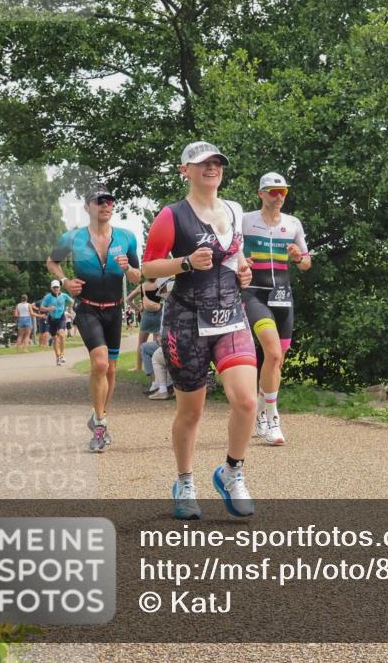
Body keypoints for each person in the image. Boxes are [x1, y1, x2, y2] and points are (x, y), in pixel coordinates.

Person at [142, 141, 256, 519]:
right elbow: (149, 268)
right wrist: (186, 263)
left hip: (231, 317)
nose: (212, 168)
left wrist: (244, 270)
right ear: (184, 170)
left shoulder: (235, 210)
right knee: (191, 412)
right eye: (202, 163)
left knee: (246, 400)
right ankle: (185, 481)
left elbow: (238, 256)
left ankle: (231, 471)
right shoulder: (171, 216)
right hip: (185, 322)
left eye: (217, 162)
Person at [47, 187, 141, 453]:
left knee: (111, 369)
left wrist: (128, 269)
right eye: (99, 201)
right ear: (88, 207)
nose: (106, 205)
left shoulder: (127, 238)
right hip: (87, 309)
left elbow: (137, 276)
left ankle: (99, 414)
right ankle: (100, 427)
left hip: (115, 310)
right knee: (100, 363)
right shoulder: (73, 237)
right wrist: (65, 281)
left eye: (110, 201)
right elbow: (52, 262)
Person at [242, 172, 311, 445]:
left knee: (277, 359)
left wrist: (298, 257)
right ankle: (273, 418)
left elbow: (306, 262)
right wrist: (240, 260)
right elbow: (230, 249)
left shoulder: (293, 223)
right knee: (271, 352)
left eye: (283, 191)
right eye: (273, 191)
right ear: (261, 193)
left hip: (283, 296)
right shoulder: (246, 220)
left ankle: (261, 410)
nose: (279, 196)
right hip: (254, 295)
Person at [129, 278, 164, 372]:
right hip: (159, 315)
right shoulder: (160, 284)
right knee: (156, 344)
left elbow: (128, 299)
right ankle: (156, 368)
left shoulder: (141, 286)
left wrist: (137, 310)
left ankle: (139, 367)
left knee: (141, 343)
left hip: (146, 315)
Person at [40, 280, 73, 365]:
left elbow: (72, 301)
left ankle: (62, 355)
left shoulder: (64, 295)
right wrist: (48, 309)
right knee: (55, 339)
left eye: (57, 287)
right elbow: (41, 308)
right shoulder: (48, 297)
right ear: (51, 288)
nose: (56, 288)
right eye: (54, 287)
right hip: (52, 319)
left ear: (59, 287)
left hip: (61, 318)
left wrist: (70, 309)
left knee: (62, 335)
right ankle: (57, 357)